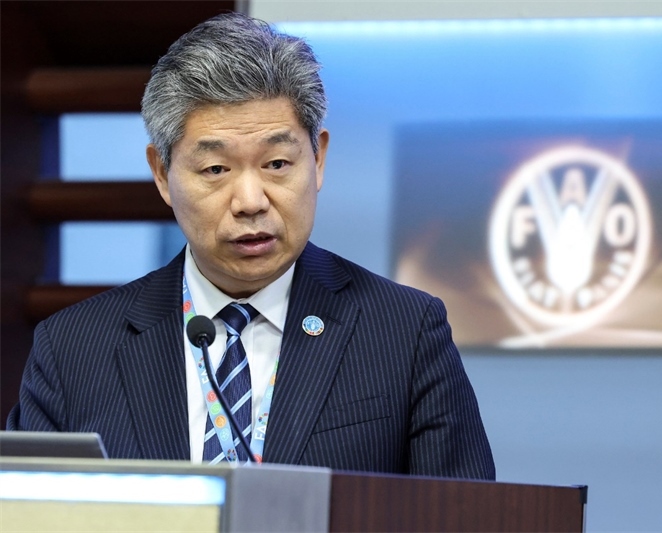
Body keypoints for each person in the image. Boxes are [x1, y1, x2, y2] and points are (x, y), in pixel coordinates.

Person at [7, 12, 495, 480]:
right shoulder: (72, 349)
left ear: (318, 159)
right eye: (215, 169)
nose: (250, 201)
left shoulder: (404, 331)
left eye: (277, 164)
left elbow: (459, 514)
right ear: (161, 173)